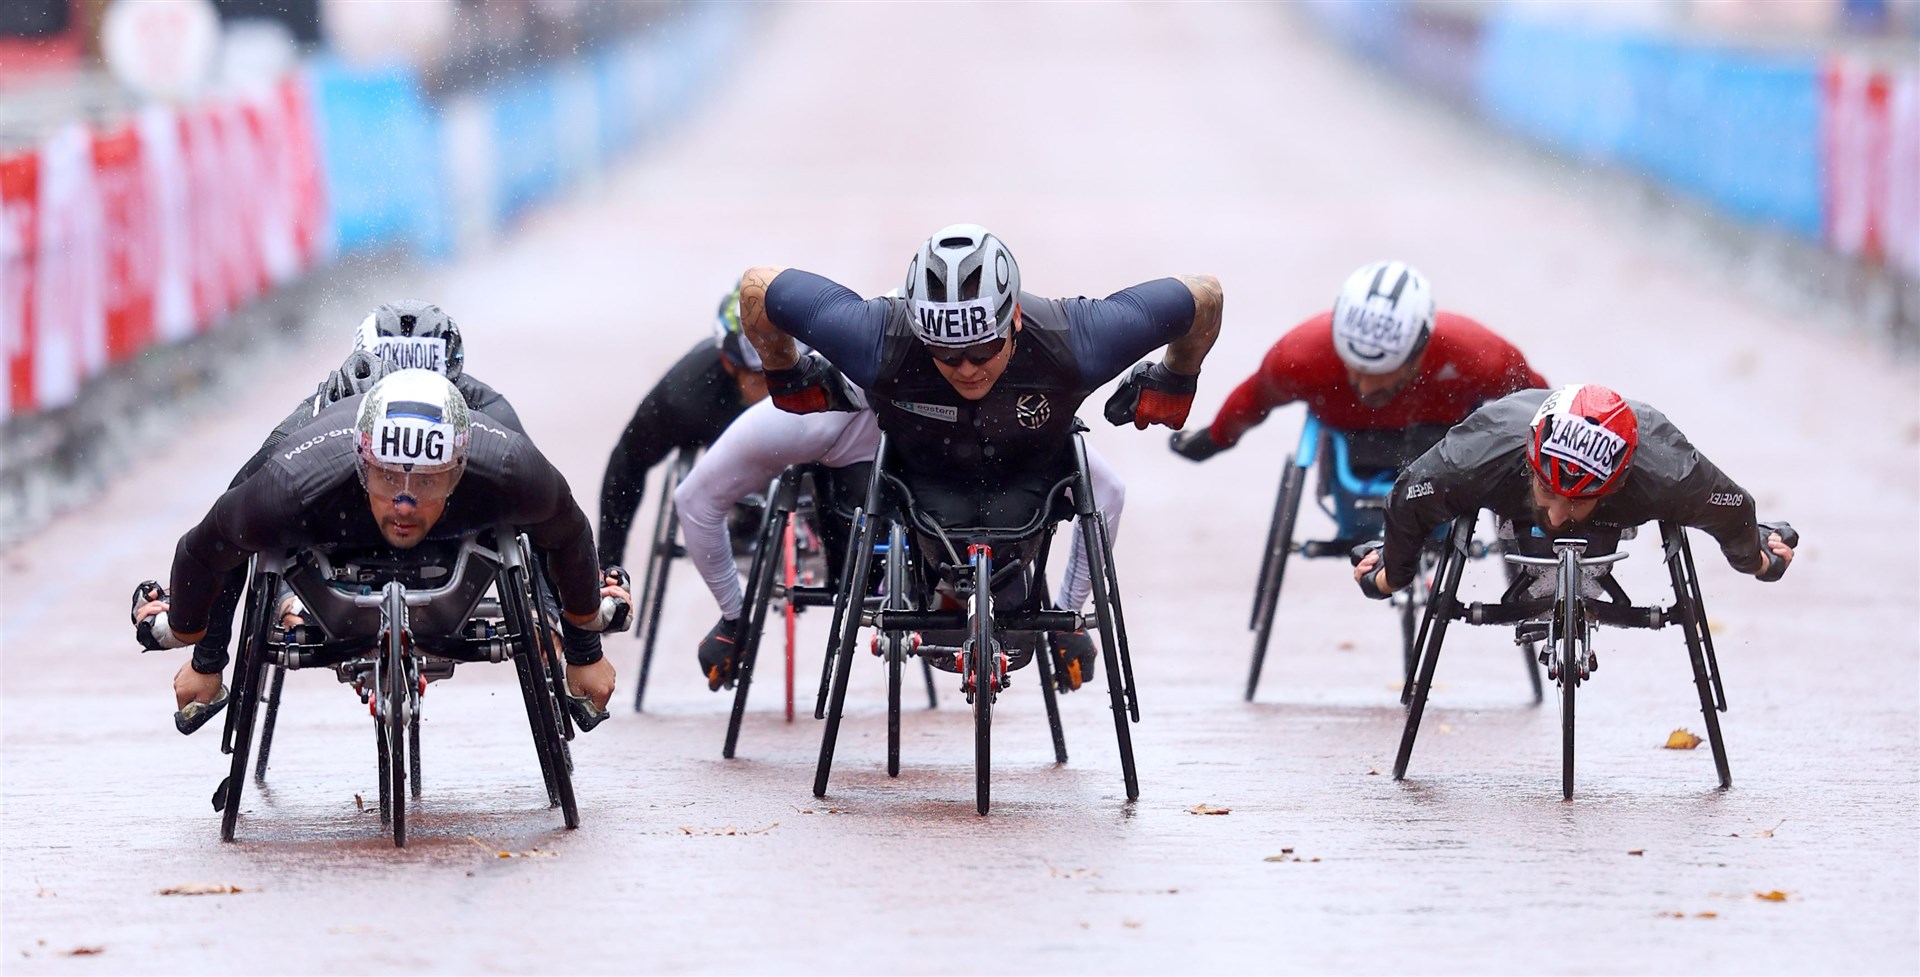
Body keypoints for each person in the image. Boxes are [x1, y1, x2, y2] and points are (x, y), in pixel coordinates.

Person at [731, 223, 1222, 687]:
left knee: (1105, 491)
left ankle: (1061, 618)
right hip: (923, 496)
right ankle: (951, 595)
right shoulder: (878, 336)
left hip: (1028, 494)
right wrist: (784, 373)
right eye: (945, 355)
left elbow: (1204, 293)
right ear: (920, 329)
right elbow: (756, 286)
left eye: (983, 350)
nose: (966, 369)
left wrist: (1179, 377)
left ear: (1016, 318)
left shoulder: (1078, 338)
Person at [131, 370, 631, 729]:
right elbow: (206, 549)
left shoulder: (509, 468)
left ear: (460, 468)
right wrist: (200, 650)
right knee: (251, 517)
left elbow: (565, 535)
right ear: (361, 460)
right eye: (388, 477)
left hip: (445, 522)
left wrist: (583, 648)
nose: (405, 504)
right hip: (328, 507)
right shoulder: (291, 483)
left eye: (428, 482)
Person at [174, 300, 526, 733]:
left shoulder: (484, 410)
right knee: (264, 512)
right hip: (339, 530)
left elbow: (542, 509)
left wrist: (554, 621)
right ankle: (285, 599)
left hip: (447, 533)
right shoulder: (319, 415)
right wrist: (209, 657)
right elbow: (236, 522)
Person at [673, 388, 1128, 694]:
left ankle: (968, 593)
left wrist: (1066, 617)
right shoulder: (818, 413)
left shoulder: (1014, 387)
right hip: (859, 512)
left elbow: (1107, 493)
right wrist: (735, 618)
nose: (961, 374)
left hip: (973, 521)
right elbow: (695, 500)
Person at [1171, 260, 1545, 540]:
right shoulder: (1300, 356)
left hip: (1446, 446)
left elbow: (1541, 409)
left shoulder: (1480, 355)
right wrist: (1218, 437)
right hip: (1350, 447)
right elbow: (1257, 398)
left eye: (1383, 372)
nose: (1365, 386)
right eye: (1354, 368)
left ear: (1419, 350)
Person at [1352, 384, 1797, 609]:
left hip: (1636, 480)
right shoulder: (1475, 456)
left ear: (1620, 482)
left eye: (1581, 499)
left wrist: (1755, 559)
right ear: (1531, 465)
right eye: (1549, 490)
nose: (1561, 513)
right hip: (1505, 441)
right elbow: (1407, 499)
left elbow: (1735, 509)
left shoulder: (1670, 473)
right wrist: (1395, 574)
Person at [596, 288, 770, 569]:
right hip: (722, 437)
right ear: (729, 362)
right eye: (760, 377)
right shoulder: (682, 398)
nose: (770, 385)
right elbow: (628, 463)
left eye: (777, 371)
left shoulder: (807, 354)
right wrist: (608, 565)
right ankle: (748, 518)